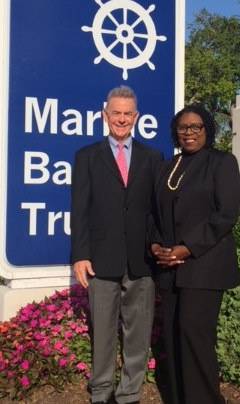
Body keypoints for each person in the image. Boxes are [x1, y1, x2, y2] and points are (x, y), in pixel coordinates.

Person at [71, 85, 163, 404]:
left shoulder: (154, 158)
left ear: (135, 117)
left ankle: (129, 394)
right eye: (116, 113)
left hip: (141, 261)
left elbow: (157, 211)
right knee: (103, 333)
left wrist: (157, 247)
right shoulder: (86, 157)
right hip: (100, 258)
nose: (121, 119)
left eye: (127, 114)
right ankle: (101, 392)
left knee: (138, 334)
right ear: (105, 115)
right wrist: (81, 255)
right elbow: (79, 210)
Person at [149, 104, 240, 404]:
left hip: (204, 267)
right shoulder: (166, 167)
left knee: (195, 338)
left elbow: (226, 214)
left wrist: (187, 248)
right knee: (174, 338)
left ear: (207, 130)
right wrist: (154, 246)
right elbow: (153, 214)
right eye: (183, 127)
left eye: (196, 127)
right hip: (170, 269)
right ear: (175, 132)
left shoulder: (222, 162)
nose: (188, 133)